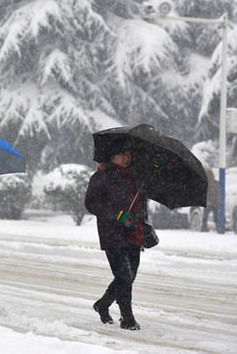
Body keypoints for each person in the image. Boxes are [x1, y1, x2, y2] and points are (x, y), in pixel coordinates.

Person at [84, 140, 148, 331]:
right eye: (123, 154)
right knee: (124, 276)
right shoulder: (101, 177)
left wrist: (142, 223)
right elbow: (91, 204)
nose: (127, 158)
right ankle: (127, 318)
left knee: (129, 277)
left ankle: (103, 304)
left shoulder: (135, 177)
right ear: (113, 157)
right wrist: (117, 214)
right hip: (112, 234)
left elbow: (140, 204)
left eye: (129, 155)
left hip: (133, 233)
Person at [201, 168, 219, 232]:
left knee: (205, 216)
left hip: (209, 202)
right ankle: (218, 227)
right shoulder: (216, 183)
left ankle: (204, 227)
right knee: (216, 216)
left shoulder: (205, 183)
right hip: (214, 202)